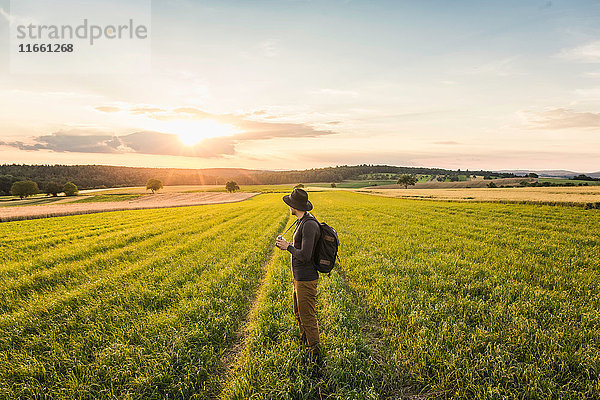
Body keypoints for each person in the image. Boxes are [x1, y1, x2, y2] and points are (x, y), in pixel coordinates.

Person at [275, 188, 322, 360]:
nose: (289, 207)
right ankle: (305, 344)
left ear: (295, 206)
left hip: (306, 279)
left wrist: (288, 247)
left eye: (290, 204)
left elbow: (306, 255)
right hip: (298, 278)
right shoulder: (302, 221)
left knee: (307, 317)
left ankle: (316, 355)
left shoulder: (309, 225)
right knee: (298, 312)